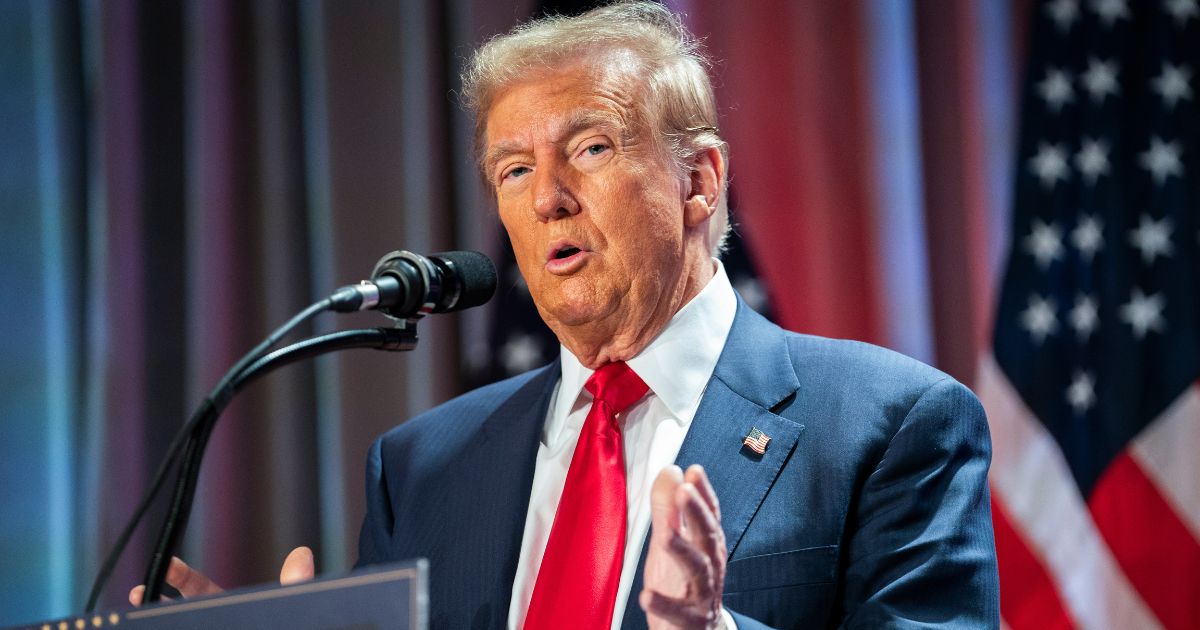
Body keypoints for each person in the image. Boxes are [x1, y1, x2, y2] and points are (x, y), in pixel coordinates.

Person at [132, 2, 1000, 628]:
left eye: (590, 148)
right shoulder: (420, 468)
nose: (547, 197)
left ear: (698, 181)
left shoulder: (889, 425)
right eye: (512, 170)